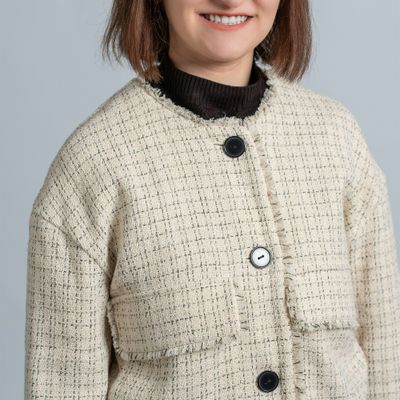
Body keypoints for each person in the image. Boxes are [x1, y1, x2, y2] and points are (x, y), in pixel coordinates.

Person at [24, 0, 400, 399]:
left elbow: (386, 357)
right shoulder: (93, 165)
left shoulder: (336, 139)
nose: (230, 1)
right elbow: (61, 385)